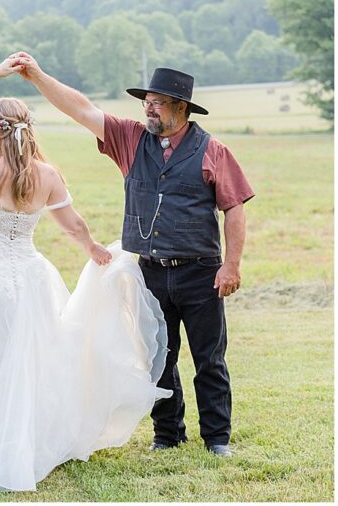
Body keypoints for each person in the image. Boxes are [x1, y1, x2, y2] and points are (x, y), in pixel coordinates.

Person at [0, 57, 172, 492]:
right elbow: (73, 225)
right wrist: (95, 250)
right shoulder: (47, 176)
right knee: (27, 365)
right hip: (28, 280)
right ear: (29, 128)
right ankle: (18, 439)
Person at [15, 53, 254, 457]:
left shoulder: (213, 150)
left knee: (209, 359)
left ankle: (217, 438)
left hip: (201, 272)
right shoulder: (130, 139)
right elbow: (81, 108)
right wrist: (37, 76)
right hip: (150, 272)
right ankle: (168, 434)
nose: (148, 108)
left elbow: (234, 207)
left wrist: (231, 264)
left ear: (181, 108)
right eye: (146, 101)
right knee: (157, 357)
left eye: (157, 102)